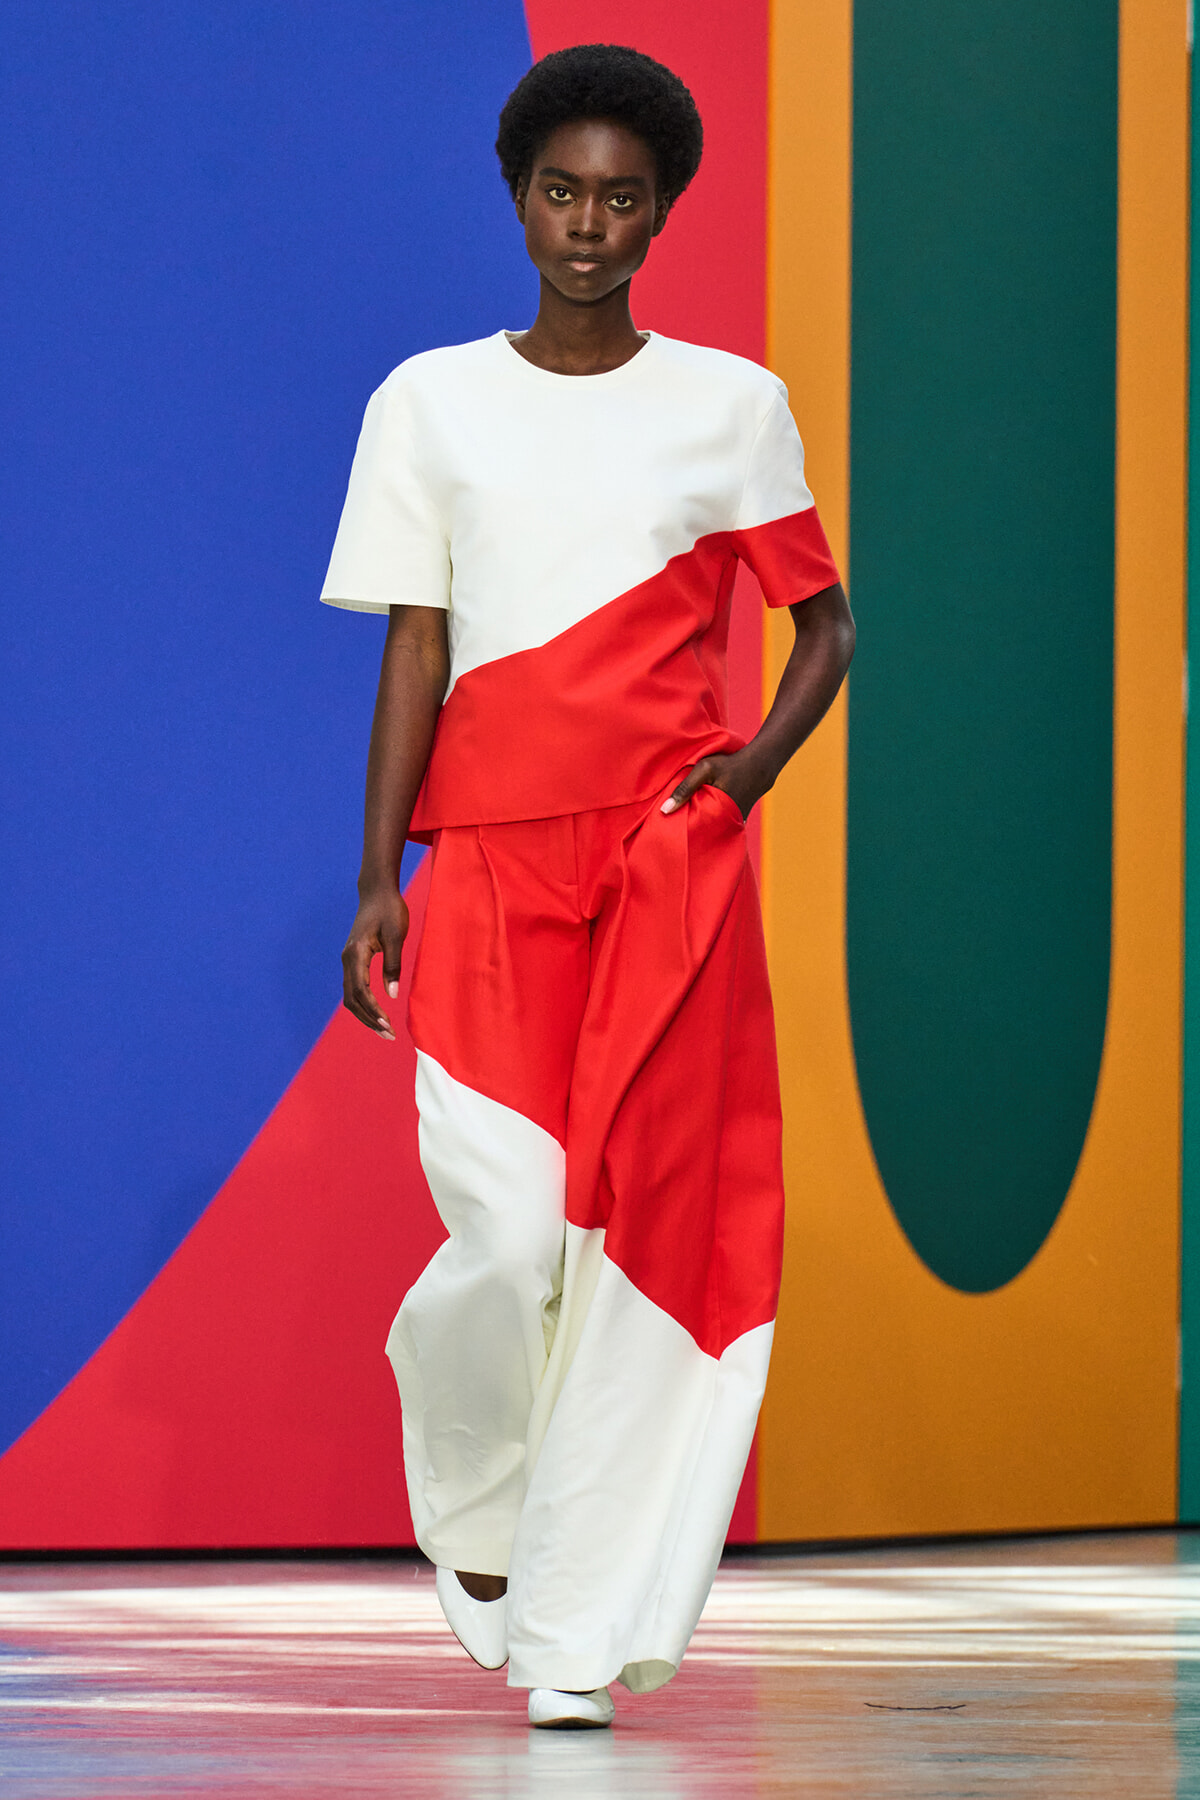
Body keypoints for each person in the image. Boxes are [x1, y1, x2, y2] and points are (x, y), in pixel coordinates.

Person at [321, 43, 854, 1730]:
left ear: (662, 214)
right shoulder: (427, 402)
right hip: (479, 865)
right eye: (564, 191)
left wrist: (748, 776)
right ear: (519, 197)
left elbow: (823, 620)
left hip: (663, 868)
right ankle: (482, 1504)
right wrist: (374, 877)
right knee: (505, 1230)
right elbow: (418, 644)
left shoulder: (730, 405)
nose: (590, 224)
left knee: (640, 1256)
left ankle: (571, 1635)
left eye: (625, 199)